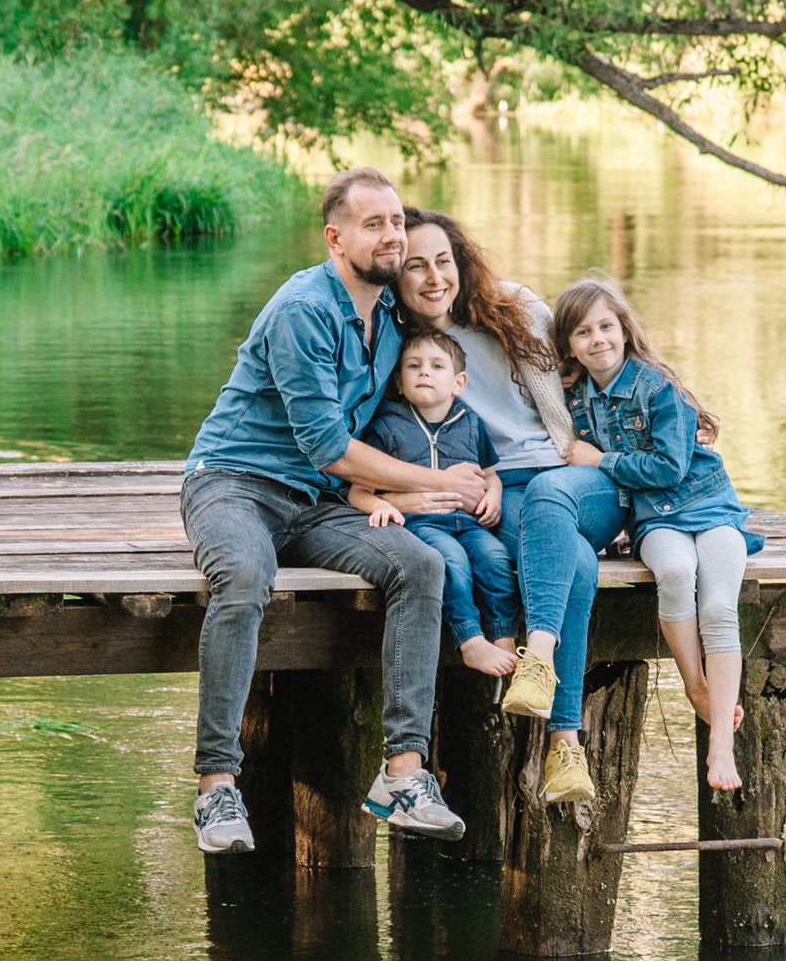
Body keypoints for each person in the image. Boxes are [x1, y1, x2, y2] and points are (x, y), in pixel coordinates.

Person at [181, 168, 491, 854]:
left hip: (319, 502)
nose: (391, 236)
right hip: (236, 483)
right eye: (373, 224)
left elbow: (456, 328)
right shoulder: (304, 307)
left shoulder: (387, 318)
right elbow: (327, 444)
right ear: (335, 237)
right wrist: (437, 481)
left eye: (396, 223)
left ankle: (404, 775)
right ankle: (216, 786)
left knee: (418, 564)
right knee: (244, 576)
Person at [390, 209, 620, 805]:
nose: (434, 276)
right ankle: (565, 747)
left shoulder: (515, 307)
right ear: (396, 274)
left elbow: (605, 363)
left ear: (461, 262)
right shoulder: (399, 344)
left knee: (551, 499)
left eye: (444, 260)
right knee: (580, 565)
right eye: (416, 265)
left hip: (573, 471)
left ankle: (541, 668)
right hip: (506, 489)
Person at [549, 274, 764, 791]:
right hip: (656, 518)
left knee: (716, 605)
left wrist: (601, 459)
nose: (597, 339)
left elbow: (668, 466)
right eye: (583, 332)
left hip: (709, 505)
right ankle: (695, 686)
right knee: (673, 570)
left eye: (606, 326)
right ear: (570, 346)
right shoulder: (575, 400)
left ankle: (720, 748)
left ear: (624, 330)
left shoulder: (656, 385)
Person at [344, 330, 522, 677]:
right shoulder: (388, 427)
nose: (424, 372)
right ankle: (470, 639)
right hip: (422, 525)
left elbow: (490, 474)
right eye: (414, 365)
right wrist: (378, 506)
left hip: (469, 523)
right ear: (399, 381)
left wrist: (494, 497)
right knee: (450, 561)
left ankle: (503, 636)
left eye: (436, 365)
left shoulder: (469, 422)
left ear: (458, 382)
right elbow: (357, 491)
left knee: (495, 559)